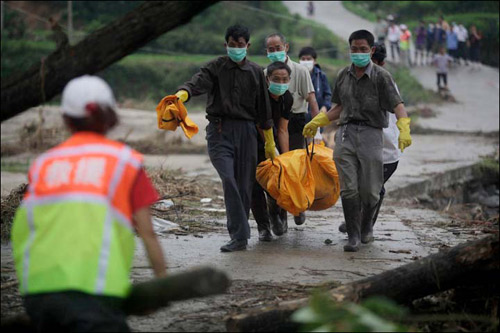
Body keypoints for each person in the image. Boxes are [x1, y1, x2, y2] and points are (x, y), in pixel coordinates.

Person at [11, 75, 167, 332]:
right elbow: (148, 234)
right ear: (111, 117)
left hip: (37, 292)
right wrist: (162, 287)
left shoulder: (44, 164)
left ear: (65, 119)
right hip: (93, 290)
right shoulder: (124, 162)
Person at [302, 30, 412, 252]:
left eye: (363, 49)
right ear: (349, 49)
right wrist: (318, 121)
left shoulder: (382, 77)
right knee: (348, 188)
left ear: (371, 51)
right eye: (354, 49)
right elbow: (338, 107)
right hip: (346, 134)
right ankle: (353, 236)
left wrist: (404, 127)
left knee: (371, 191)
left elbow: (398, 105)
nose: (358, 53)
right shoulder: (343, 75)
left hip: (372, 134)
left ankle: (366, 227)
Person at [175, 24, 275, 252]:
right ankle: (241, 233)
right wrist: (183, 94)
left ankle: (240, 237)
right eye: (232, 45)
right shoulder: (216, 67)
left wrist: (269, 142)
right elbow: (198, 81)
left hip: (247, 132)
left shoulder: (256, 72)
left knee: (244, 185)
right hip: (219, 131)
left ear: (247, 46)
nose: (236, 49)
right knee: (228, 179)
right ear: (226, 45)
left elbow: (264, 110)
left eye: (240, 45)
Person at [338, 42, 402, 235]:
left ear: (380, 63)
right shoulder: (353, 80)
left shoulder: (384, 83)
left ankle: (365, 226)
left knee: (374, 189)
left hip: (384, 150)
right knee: (355, 187)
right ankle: (357, 225)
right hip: (359, 144)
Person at [264, 32, 320, 227]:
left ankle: (297, 206)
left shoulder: (301, 71)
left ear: (286, 47)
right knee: (274, 172)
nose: (275, 52)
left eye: (278, 48)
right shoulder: (265, 73)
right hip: (270, 125)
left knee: (295, 170)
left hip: (296, 124)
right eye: (271, 49)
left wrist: (317, 129)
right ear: (266, 51)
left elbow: (312, 99)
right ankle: (278, 215)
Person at [251, 62, 293, 241]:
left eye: (284, 79)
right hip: (254, 144)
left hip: (274, 142)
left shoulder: (287, 98)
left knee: (277, 183)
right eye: (276, 79)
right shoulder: (258, 96)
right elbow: (259, 122)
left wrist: (286, 157)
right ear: (267, 79)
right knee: (255, 187)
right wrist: (268, 144)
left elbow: (283, 129)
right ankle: (263, 227)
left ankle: (278, 214)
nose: (281, 83)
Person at [298, 46, 332, 128]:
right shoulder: (295, 75)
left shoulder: (321, 76)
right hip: (299, 118)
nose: (305, 61)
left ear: (315, 61)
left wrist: (325, 107)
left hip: (317, 117)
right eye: (303, 59)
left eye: (308, 59)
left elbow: (327, 94)